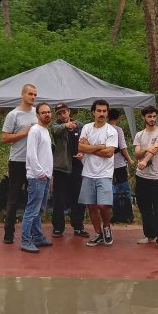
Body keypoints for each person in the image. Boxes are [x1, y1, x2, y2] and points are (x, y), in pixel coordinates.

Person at [0, 84, 38, 244]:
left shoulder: (38, 113)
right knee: (14, 198)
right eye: (30, 94)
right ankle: (8, 234)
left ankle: (31, 234)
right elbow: (4, 138)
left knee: (33, 198)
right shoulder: (13, 115)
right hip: (17, 161)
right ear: (22, 95)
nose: (33, 97)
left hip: (33, 162)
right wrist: (24, 132)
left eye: (35, 94)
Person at [78, 99, 118, 246]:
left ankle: (106, 227)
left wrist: (91, 147)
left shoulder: (111, 131)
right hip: (88, 172)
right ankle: (98, 233)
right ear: (93, 112)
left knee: (103, 205)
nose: (101, 114)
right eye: (99, 111)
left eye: (104, 111)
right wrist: (99, 146)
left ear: (107, 113)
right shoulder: (87, 128)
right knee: (91, 206)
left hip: (105, 173)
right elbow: (81, 148)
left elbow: (109, 153)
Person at [49, 102, 89, 238]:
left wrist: (83, 153)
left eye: (64, 112)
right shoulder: (56, 126)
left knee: (78, 197)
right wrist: (66, 125)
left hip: (78, 166)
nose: (62, 115)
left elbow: (87, 141)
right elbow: (55, 130)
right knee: (59, 198)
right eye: (59, 113)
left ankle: (78, 226)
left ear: (69, 111)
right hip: (61, 167)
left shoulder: (81, 126)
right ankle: (58, 227)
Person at [133, 106, 158, 250]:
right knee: (144, 208)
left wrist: (144, 160)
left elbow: (155, 149)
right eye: (149, 116)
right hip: (141, 177)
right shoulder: (139, 135)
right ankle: (149, 235)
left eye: (154, 116)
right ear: (144, 118)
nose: (152, 119)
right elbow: (136, 153)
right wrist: (144, 151)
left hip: (156, 178)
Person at [20, 103, 54, 253]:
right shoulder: (35, 131)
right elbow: (31, 155)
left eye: (48, 112)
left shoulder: (45, 131)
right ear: (37, 115)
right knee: (32, 210)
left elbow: (45, 155)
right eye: (43, 112)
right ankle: (26, 241)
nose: (47, 114)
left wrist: (49, 176)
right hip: (37, 177)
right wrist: (40, 174)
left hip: (45, 177)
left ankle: (37, 237)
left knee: (39, 210)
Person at [108, 108, 135, 224]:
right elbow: (123, 146)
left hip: (107, 164)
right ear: (118, 118)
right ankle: (127, 214)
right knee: (125, 189)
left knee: (113, 190)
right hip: (119, 164)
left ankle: (116, 214)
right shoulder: (118, 130)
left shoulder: (105, 128)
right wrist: (129, 159)